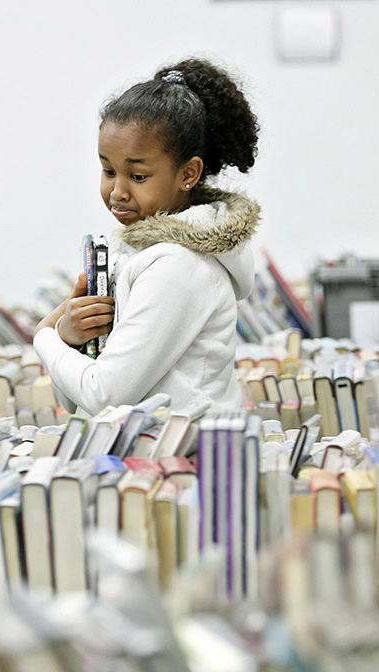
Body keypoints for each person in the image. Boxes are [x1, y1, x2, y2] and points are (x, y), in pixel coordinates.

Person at [33, 57, 260, 415]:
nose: (117, 191)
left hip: (185, 461)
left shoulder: (178, 264)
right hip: (148, 454)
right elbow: (83, 400)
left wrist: (45, 335)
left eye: (137, 176)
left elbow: (103, 395)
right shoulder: (137, 253)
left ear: (188, 173)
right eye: (108, 170)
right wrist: (72, 340)